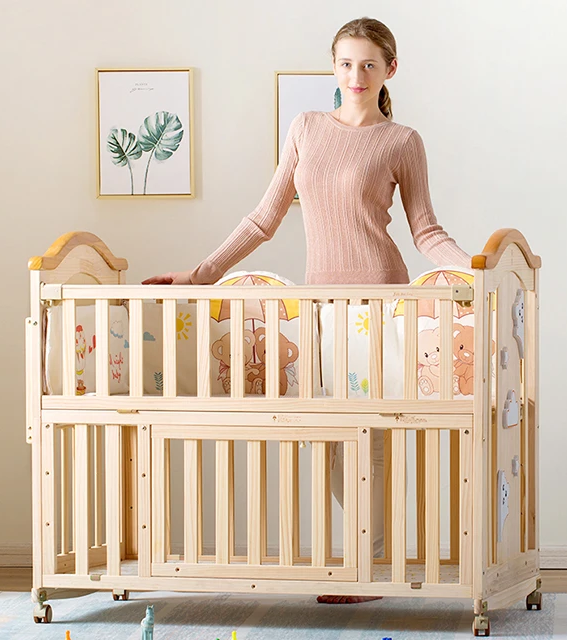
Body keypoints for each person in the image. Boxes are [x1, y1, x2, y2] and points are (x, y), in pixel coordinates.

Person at [143, 16, 471, 604]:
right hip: (322, 306)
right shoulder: (306, 128)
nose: (356, 75)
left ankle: (370, 569)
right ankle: (374, 559)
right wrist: (202, 273)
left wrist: (475, 269)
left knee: (373, 440)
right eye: (346, 63)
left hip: (381, 302)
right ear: (334, 67)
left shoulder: (402, 141)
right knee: (330, 440)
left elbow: (425, 229)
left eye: (368, 64)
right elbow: (263, 219)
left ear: (389, 69)